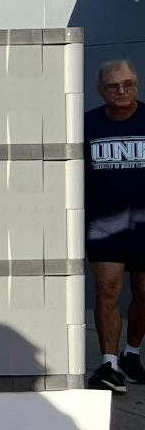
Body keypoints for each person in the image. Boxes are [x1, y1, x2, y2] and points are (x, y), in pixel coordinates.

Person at [86, 57, 145, 393]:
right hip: (103, 225)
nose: (121, 91)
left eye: (128, 84)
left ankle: (131, 355)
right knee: (107, 291)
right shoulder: (86, 125)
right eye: (113, 86)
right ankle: (109, 365)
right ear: (101, 90)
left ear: (136, 85)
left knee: (143, 293)